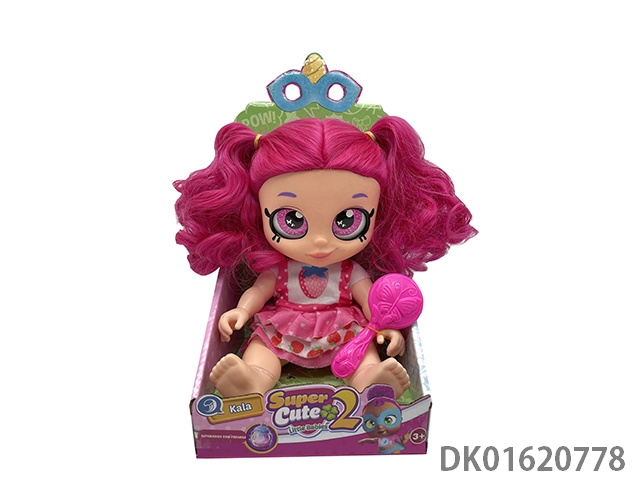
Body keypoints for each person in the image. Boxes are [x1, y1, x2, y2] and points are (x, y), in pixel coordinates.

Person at [174, 116, 476, 398]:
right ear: (257, 211)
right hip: (284, 327)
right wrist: (241, 311)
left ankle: (371, 380)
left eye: (347, 221)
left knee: (363, 355)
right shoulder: (279, 270)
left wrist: (385, 326)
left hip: (342, 330)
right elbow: (258, 290)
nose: (320, 241)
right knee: (261, 351)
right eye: (291, 220)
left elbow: (371, 302)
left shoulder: (352, 271)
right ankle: (253, 380)